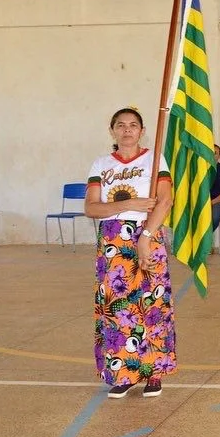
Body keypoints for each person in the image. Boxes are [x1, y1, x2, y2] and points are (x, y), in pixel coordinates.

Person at [84, 107, 177, 399]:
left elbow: (164, 201)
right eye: (121, 125)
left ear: (142, 130)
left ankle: (153, 372)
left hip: (148, 234)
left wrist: (146, 237)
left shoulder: (154, 159)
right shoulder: (101, 164)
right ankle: (123, 373)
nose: (127, 130)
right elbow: (91, 207)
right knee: (119, 306)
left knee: (152, 302)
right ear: (112, 130)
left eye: (133, 125)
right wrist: (131, 204)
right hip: (113, 240)